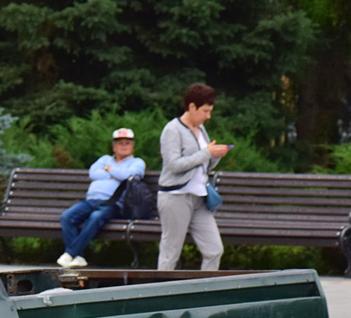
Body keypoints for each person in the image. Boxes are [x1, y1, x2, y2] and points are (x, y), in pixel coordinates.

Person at [157, 83, 229, 271]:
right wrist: (206, 153)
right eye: (205, 111)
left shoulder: (201, 129)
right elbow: (174, 165)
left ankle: (204, 292)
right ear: (191, 107)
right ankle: (159, 294)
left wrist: (215, 155)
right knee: (170, 251)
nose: (208, 116)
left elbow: (203, 164)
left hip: (199, 197)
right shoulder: (172, 130)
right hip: (175, 197)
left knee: (214, 250)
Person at [58, 127, 146, 268]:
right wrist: (117, 174)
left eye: (127, 143)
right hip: (91, 201)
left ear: (133, 146)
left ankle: (70, 254)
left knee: (95, 217)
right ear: (113, 147)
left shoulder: (137, 162)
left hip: (113, 204)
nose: (123, 146)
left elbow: (128, 176)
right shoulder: (105, 159)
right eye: (120, 143)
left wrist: (109, 169)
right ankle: (79, 257)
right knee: (67, 217)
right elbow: (93, 173)